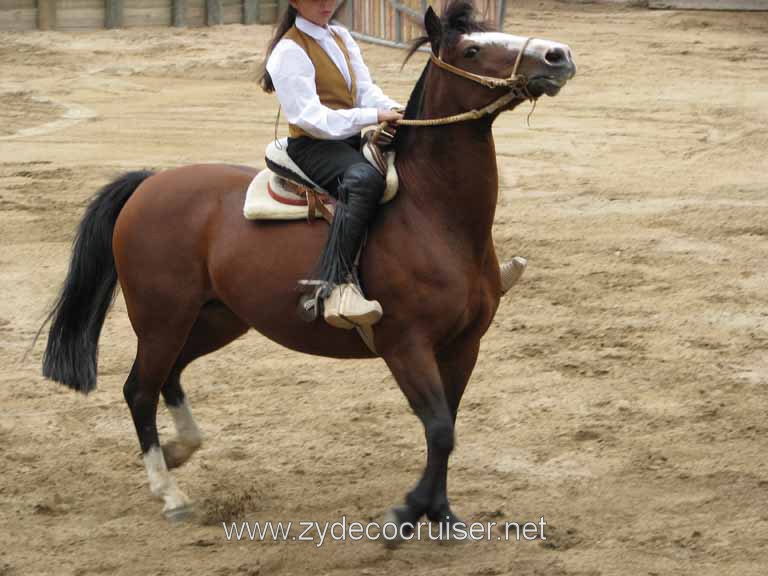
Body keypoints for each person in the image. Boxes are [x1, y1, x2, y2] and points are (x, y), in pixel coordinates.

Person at [260, 0, 403, 330]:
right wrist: (372, 117)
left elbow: (365, 90)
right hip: (312, 146)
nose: (326, 4)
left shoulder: (340, 35)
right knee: (364, 179)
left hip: (347, 137)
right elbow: (311, 120)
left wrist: (395, 109)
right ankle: (335, 284)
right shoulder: (288, 51)